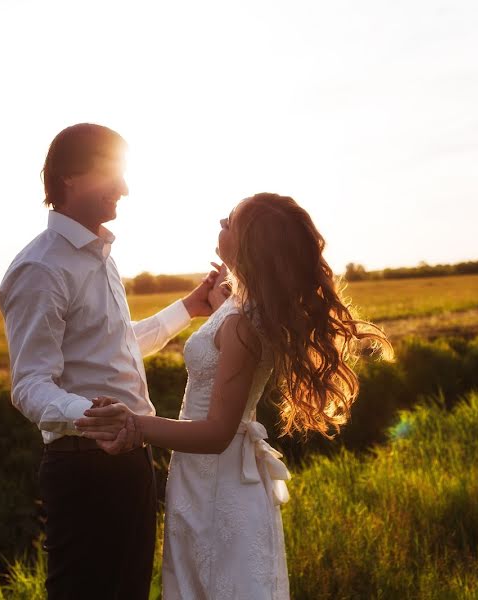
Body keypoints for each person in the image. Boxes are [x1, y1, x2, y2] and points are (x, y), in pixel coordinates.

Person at [76, 192, 393, 599]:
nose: (220, 223)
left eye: (230, 221)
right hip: (199, 478)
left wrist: (136, 424)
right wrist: (213, 297)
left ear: (249, 243)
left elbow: (217, 432)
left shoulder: (243, 324)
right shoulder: (238, 305)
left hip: (218, 480)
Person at [0, 123, 222, 600]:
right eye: (111, 173)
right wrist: (98, 420)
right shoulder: (41, 268)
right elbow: (30, 383)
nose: (124, 187)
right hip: (83, 466)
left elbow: (116, 348)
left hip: (134, 459)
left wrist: (190, 307)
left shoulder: (101, 255)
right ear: (71, 178)